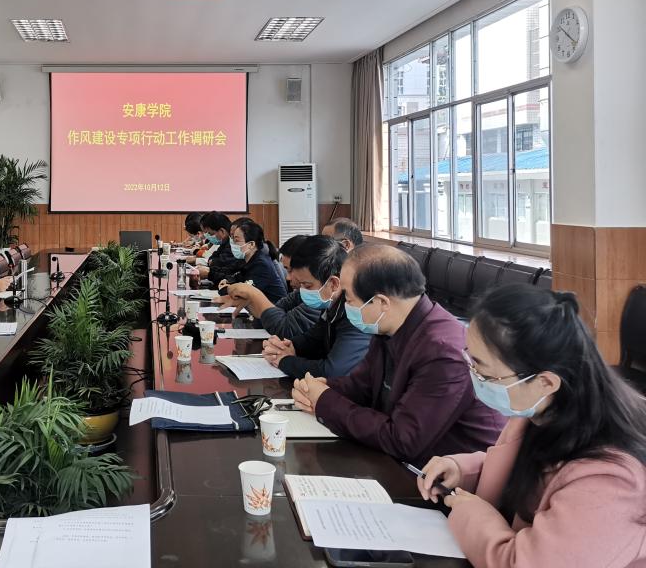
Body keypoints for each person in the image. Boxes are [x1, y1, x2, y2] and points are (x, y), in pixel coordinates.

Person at [417, 285, 646, 568]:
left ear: (546, 382)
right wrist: (463, 470)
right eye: (470, 359)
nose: (473, 376)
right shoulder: (539, 409)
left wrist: (469, 513)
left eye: (483, 370)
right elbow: (524, 470)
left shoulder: (612, 479)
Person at [291, 244, 505, 464]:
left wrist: (325, 400)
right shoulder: (389, 327)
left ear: (381, 302)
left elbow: (403, 439)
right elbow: (362, 386)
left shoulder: (443, 352)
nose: (344, 304)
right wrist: (322, 387)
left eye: (349, 299)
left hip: (447, 475)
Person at [230, 235, 371, 378]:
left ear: (333, 283)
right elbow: (313, 339)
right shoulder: (331, 303)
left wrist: (284, 361)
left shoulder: (357, 314)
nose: (301, 290)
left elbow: (332, 371)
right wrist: (287, 346)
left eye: (307, 285)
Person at [216, 220, 287, 304]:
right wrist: (228, 280)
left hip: (274, 309)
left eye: (236, 241)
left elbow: (245, 294)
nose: (233, 244)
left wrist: (226, 289)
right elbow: (238, 277)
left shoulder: (261, 264)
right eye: (232, 240)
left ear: (251, 244)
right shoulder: (248, 259)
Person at [196, 211, 243, 285]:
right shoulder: (224, 243)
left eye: (210, 233)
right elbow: (213, 259)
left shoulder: (234, 246)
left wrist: (209, 273)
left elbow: (221, 264)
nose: (207, 236)